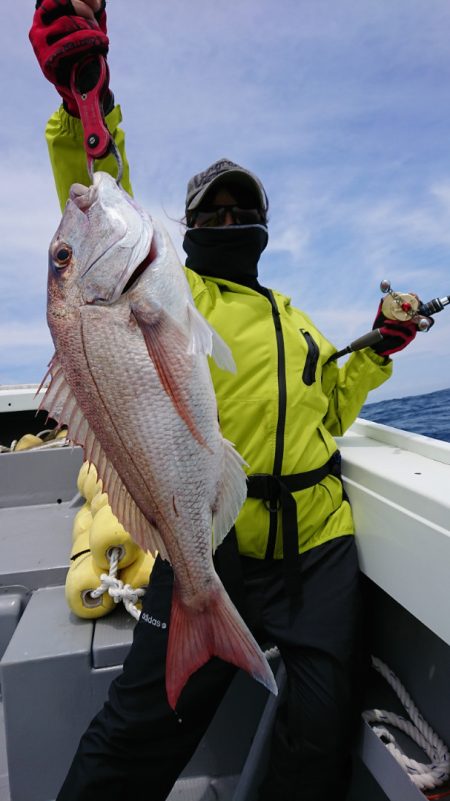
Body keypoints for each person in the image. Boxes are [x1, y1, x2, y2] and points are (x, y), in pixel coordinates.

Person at [29, 2, 433, 799]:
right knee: (138, 732)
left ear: (263, 225)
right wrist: (86, 100)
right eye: (213, 210)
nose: (229, 218)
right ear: (184, 227)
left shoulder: (299, 320)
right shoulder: (175, 298)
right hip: (215, 544)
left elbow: (326, 405)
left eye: (242, 208)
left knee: (319, 731)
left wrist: (379, 350)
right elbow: (96, 190)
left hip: (319, 549)